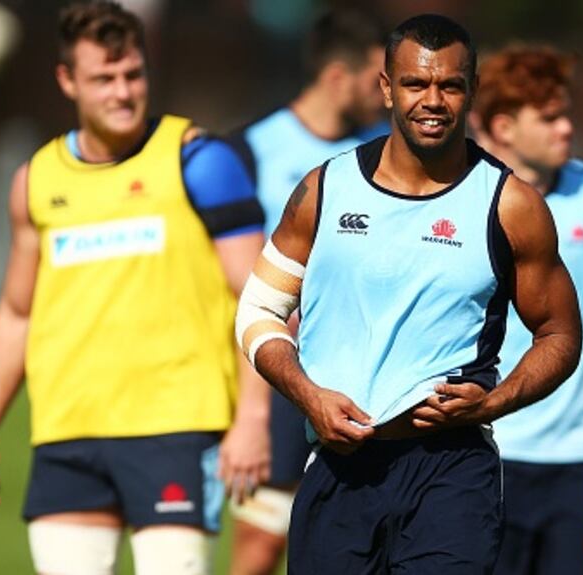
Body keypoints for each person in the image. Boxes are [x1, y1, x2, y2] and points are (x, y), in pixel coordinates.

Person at [235, 14, 582, 575]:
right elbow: (258, 309)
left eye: (450, 85)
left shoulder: (510, 205)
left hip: (451, 470)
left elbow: (561, 334)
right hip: (338, 463)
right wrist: (308, 395)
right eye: (417, 84)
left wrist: (494, 402)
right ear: (386, 88)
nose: (433, 100)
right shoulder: (325, 188)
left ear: (470, 91)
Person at [0, 3, 268, 573]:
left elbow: (263, 299)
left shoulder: (199, 160)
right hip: (68, 433)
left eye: (133, 74)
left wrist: (252, 419)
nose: (123, 92)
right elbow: (17, 313)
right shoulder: (36, 180)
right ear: (67, 81)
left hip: (177, 427)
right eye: (104, 78)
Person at [225, 9, 387, 574]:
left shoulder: (389, 153)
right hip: (280, 370)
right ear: (339, 77)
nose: (387, 93)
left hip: (367, 368)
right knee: (262, 538)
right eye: (377, 79)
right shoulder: (249, 150)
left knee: (360, 535)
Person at [469, 45, 583, 575]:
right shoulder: (462, 199)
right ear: (502, 126)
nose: (566, 128)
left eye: (567, 114)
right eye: (549, 118)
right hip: (486, 452)